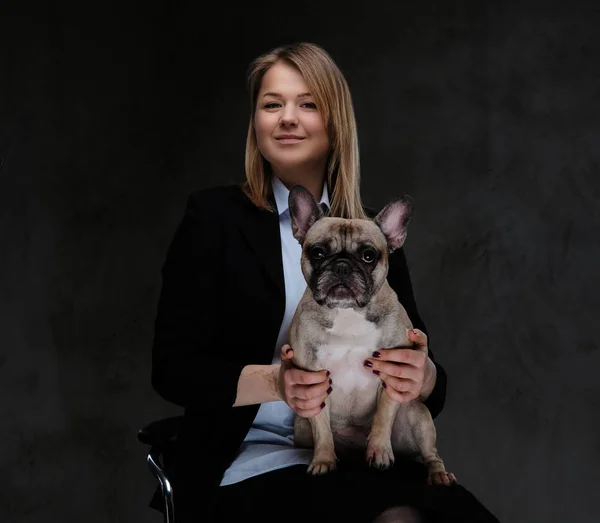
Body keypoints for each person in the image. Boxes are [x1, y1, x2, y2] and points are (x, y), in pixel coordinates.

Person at [149, 42, 499, 523]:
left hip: (361, 446)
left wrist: (424, 374)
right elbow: (171, 369)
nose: (287, 118)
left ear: (336, 122)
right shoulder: (213, 218)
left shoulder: (370, 235)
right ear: (256, 123)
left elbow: (425, 374)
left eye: (308, 103)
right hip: (250, 451)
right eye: (272, 104)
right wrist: (278, 382)